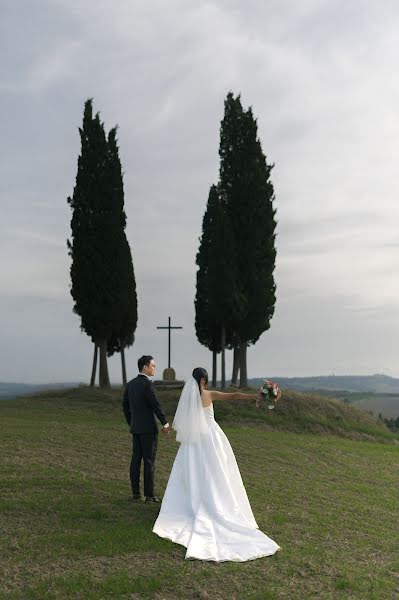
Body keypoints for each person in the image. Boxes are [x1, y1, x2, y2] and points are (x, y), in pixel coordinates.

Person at [153, 367, 280, 561]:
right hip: (211, 438)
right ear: (203, 381)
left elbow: (184, 420)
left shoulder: (188, 398)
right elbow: (233, 396)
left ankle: (192, 502)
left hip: (193, 442)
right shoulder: (209, 394)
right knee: (217, 472)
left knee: (193, 473)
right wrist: (255, 396)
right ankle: (217, 503)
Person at [122, 355, 171, 503]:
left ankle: (136, 494)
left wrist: (132, 423)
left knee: (135, 461)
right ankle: (149, 495)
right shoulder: (147, 385)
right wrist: (165, 423)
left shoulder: (130, 384)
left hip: (135, 428)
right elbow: (155, 405)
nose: (154, 368)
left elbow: (125, 407)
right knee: (149, 462)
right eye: (153, 365)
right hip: (149, 430)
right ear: (145, 367)